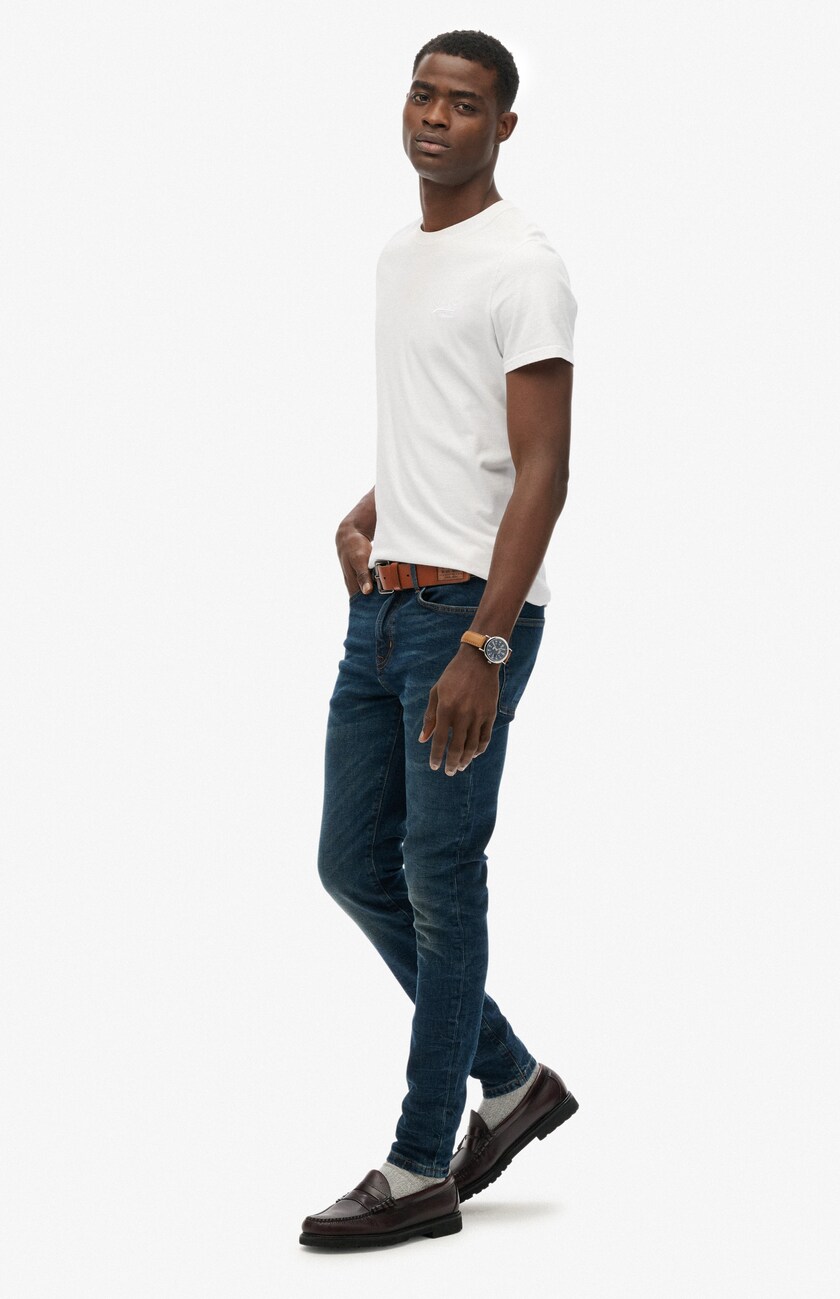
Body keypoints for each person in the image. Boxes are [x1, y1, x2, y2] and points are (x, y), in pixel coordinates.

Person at [300, 29, 579, 1250]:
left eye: (464, 105)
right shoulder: (400, 258)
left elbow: (542, 470)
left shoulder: (526, 268)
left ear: (503, 127)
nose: (434, 117)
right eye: (422, 94)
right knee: (352, 863)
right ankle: (511, 1080)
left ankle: (421, 1166)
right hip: (381, 609)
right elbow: (445, 425)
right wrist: (371, 509)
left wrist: (487, 646)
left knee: (438, 875)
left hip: (466, 621)